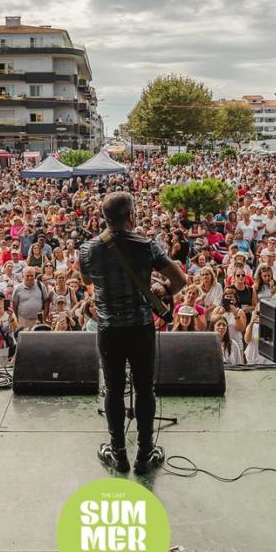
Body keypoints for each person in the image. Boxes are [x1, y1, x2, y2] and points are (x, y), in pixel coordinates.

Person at [79, 191, 186, 475]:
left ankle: (118, 454)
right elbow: (179, 280)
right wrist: (162, 289)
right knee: (144, 390)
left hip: (109, 328)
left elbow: (87, 280)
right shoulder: (146, 246)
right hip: (140, 327)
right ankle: (144, 455)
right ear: (130, 215)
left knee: (113, 391)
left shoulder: (88, 249)